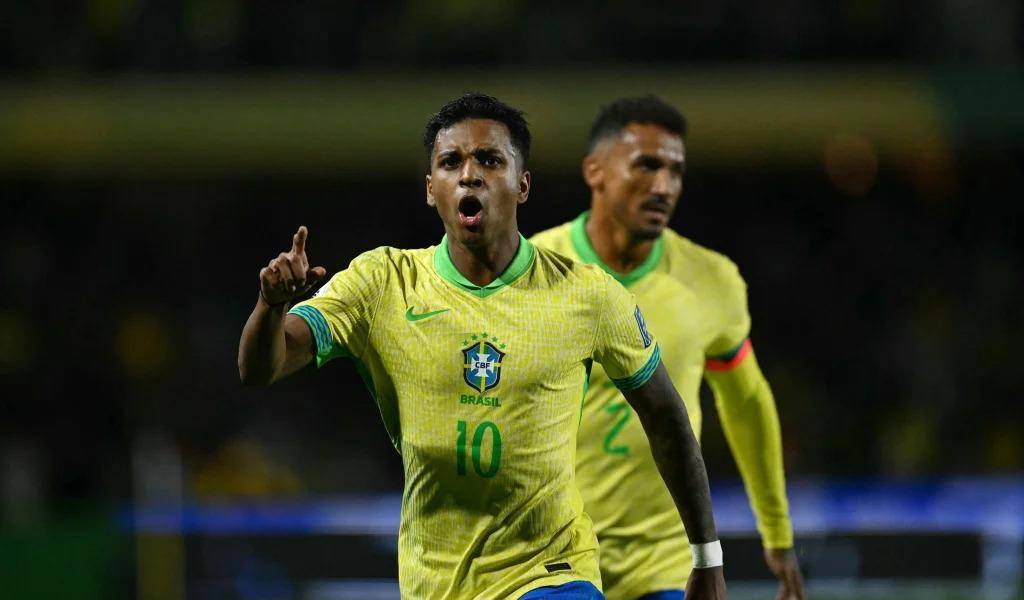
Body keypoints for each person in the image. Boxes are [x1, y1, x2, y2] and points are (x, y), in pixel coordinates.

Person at [237, 93, 727, 600]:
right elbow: (261, 368)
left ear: (522, 184)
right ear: (431, 189)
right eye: (451, 162)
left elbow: (666, 415)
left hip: (553, 572)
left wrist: (706, 557)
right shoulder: (382, 283)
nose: (470, 175)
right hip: (437, 582)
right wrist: (270, 306)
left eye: (490, 160)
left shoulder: (588, 295)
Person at [531, 96, 803, 600]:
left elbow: (746, 403)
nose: (664, 186)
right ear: (594, 171)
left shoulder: (711, 280)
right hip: (547, 561)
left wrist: (777, 532)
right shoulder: (532, 271)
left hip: (666, 567)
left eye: (676, 171)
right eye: (647, 165)